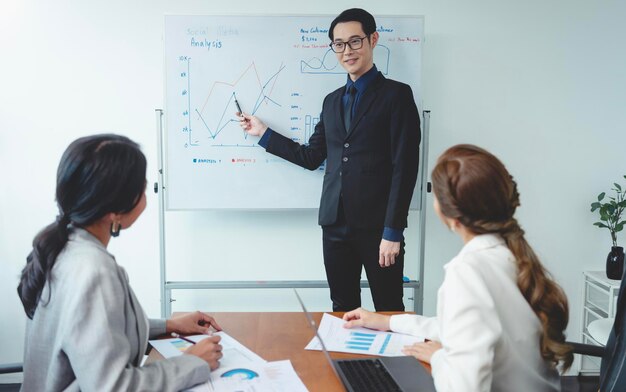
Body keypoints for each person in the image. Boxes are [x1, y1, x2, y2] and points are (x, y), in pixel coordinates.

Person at [343, 144, 573, 391]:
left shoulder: (467, 272)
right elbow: (461, 328)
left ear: (448, 214)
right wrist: (388, 322)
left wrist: (440, 357)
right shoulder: (510, 255)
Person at [239, 8, 421, 311]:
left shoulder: (396, 96)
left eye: (354, 42)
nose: (347, 51)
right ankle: (346, 361)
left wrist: (393, 231)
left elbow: (405, 167)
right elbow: (312, 156)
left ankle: (390, 361)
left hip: (379, 229)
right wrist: (264, 133)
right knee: (342, 308)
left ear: (373, 39)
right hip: (334, 225)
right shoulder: (332, 100)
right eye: (339, 44)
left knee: (389, 307)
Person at [17, 134, 223, 391]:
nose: (147, 190)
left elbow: (92, 334)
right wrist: (192, 362)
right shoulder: (94, 271)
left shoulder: (62, 247)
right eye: (143, 186)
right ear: (114, 211)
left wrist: (169, 325)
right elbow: (113, 386)